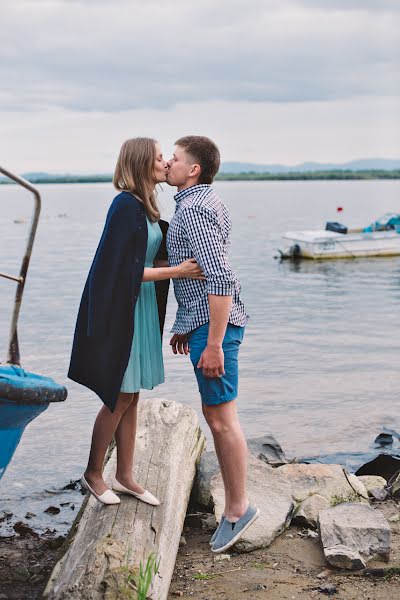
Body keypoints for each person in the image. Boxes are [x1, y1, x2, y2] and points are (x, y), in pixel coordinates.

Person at [68, 137, 204, 506]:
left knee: (132, 394)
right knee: (119, 393)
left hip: (142, 308)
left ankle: (126, 475)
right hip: (121, 310)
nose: (165, 162)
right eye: (160, 157)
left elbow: (160, 254)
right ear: (142, 163)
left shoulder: (146, 207)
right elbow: (120, 269)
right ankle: (94, 473)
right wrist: (180, 270)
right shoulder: (125, 206)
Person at [166, 136, 259, 553]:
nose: (168, 162)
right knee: (217, 413)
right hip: (205, 323)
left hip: (216, 328)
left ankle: (239, 509)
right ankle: (237, 505)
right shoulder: (203, 202)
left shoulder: (194, 210)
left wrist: (214, 343)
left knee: (221, 419)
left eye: (176, 158)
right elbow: (200, 274)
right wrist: (187, 326)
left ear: (194, 170)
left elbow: (220, 277)